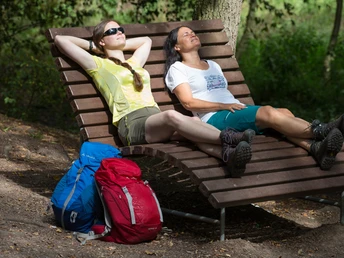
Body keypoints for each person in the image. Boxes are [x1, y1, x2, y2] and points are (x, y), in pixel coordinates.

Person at [53, 19, 255, 178]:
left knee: (192, 125)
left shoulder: (135, 63)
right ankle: (230, 138)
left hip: (155, 121)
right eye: (112, 31)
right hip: (132, 124)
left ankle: (227, 156)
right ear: (102, 41)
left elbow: (146, 40)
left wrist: (116, 44)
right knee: (172, 117)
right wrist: (97, 46)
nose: (119, 32)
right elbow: (62, 40)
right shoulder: (98, 65)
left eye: (120, 29)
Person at [163, 26, 344, 171]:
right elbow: (188, 102)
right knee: (268, 112)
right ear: (177, 47)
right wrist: (223, 105)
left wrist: (230, 106)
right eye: (186, 34)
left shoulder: (213, 65)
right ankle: (320, 131)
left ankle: (315, 148)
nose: (192, 34)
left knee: (284, 113)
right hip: (213, 118)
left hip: (233, 110)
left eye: (193, 32)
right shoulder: (178, 69)